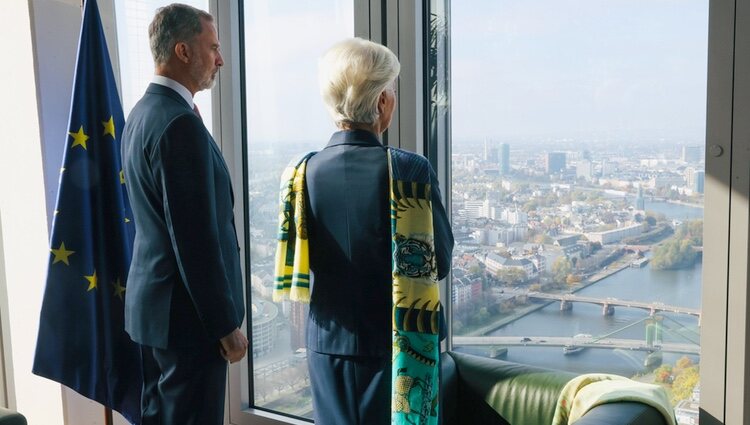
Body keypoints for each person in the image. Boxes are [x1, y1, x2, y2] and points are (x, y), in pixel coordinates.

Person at [273, 38, 453, 425]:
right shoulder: (410, 171)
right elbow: (439, 262)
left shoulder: (301, 173)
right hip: (399, 343)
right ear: (383, 102)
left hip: (327, 345)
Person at [121, 4, 247, 424]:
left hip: (156, 314)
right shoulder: (179, 124)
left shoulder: (140, 114)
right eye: (213, 47)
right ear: (182, 51)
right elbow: (195, 242)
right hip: (188, 323)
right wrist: (224, 325)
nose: (221, 59)